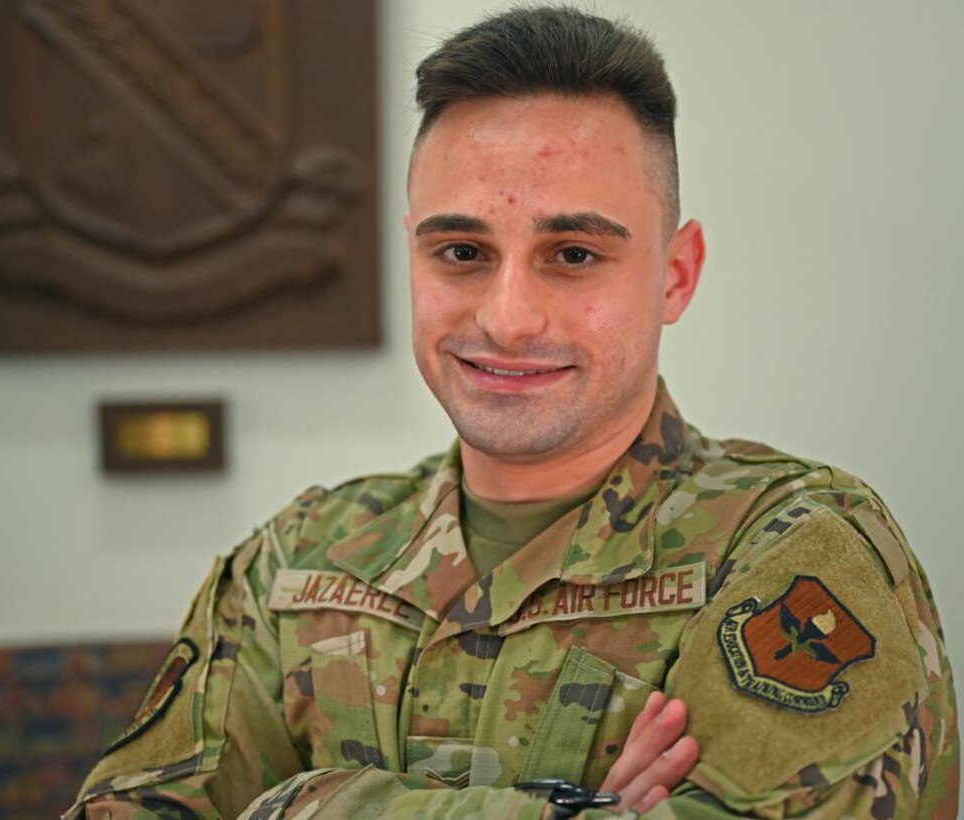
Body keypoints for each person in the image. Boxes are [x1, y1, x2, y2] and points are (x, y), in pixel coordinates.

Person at [67, 6, 958, 818]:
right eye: (460, 250)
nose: (505, 317)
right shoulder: (294, 567)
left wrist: (310, 804)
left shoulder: (795, 553)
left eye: (572, 254)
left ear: (675, 276)